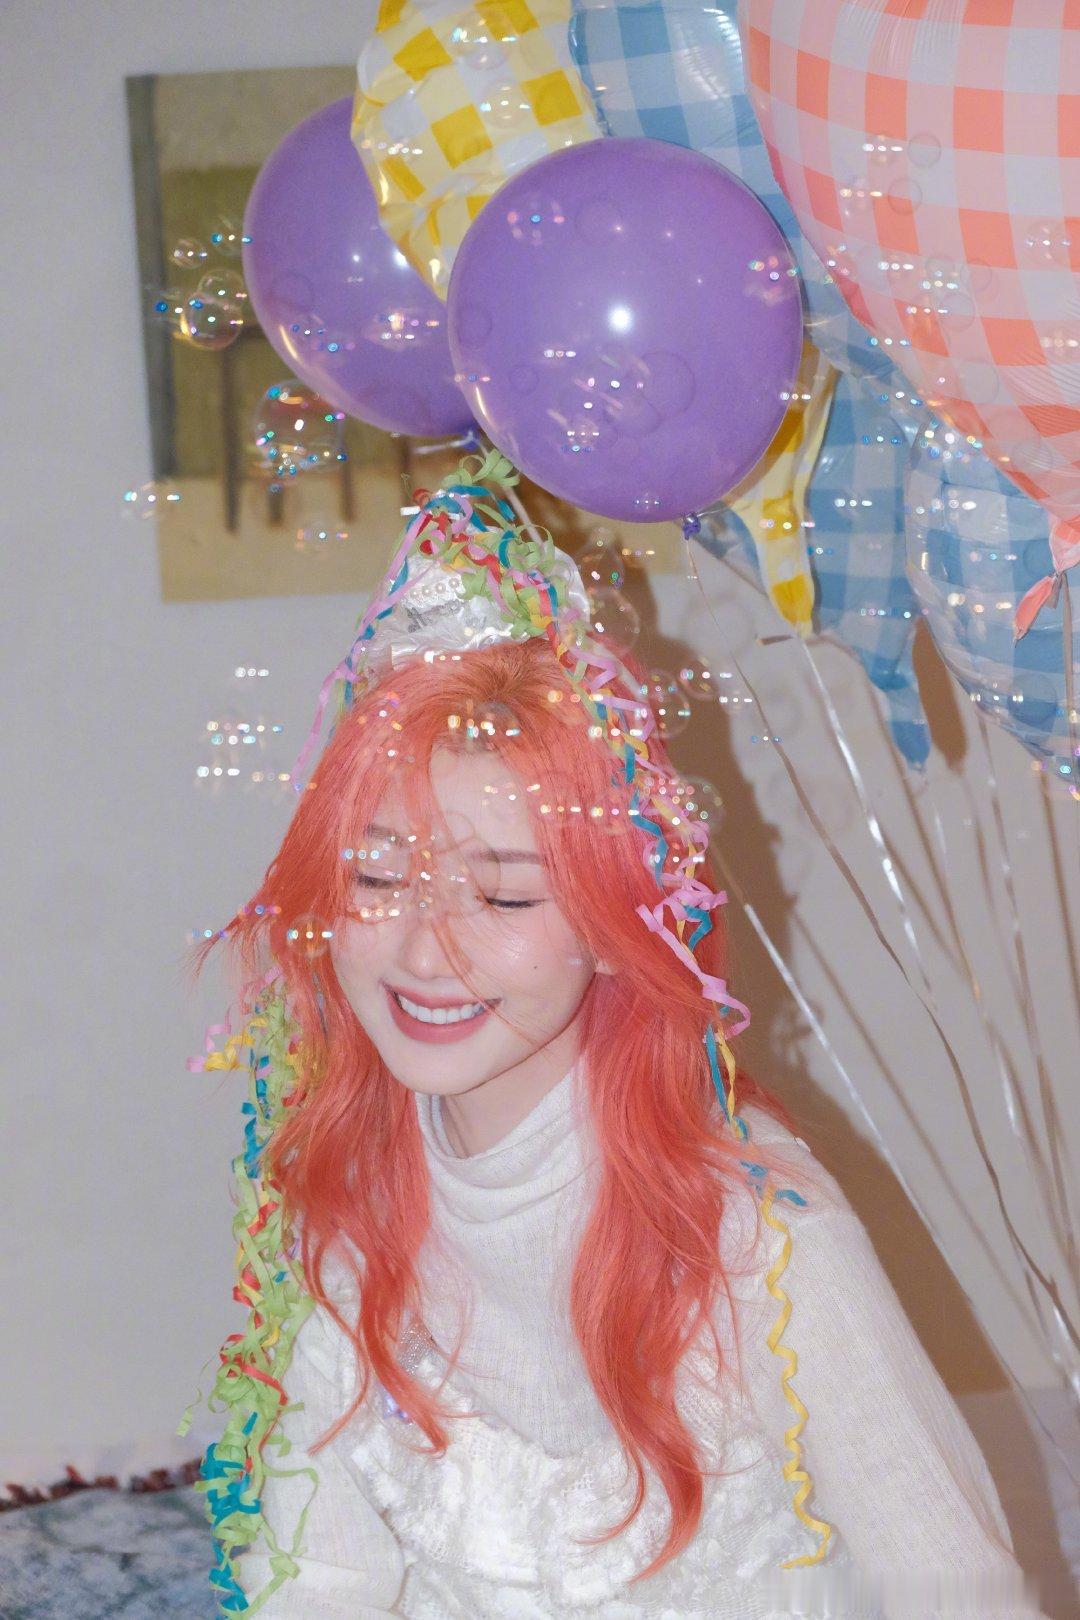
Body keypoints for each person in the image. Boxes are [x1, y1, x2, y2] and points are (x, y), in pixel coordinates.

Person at [188, 458, 1047, 1619]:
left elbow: (952, 1582)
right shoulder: (340, 1205)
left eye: (503, 895)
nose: (426, 950)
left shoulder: (763, 1237)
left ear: (615, 926)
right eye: (377, 878)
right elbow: (324, 1573)